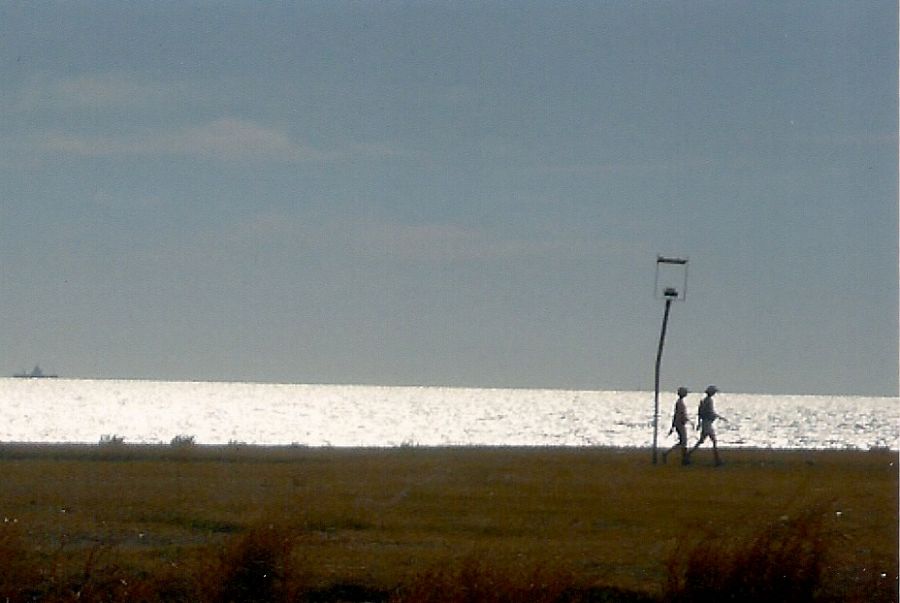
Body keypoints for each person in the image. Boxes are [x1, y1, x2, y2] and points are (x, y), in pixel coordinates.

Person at [685, 385, 725, 466]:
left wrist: (699, 423)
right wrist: (719, 417)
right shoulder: (709, 401)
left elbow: (701, 413)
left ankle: (688, 455)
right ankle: (717, 460)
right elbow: (710, 412)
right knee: (712, 441)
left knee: (702, 441)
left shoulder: (704, 401)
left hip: (705, 423)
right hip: (707, 423)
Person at [662, 387, 693, 464]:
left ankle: (683, 458)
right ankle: (684, 459)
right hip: (680, 424)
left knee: (682, 442)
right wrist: (674, 425)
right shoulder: (679, 403)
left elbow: (678, 415)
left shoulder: (680, 402)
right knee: (683, 441)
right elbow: (678, 415)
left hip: (679, 424)